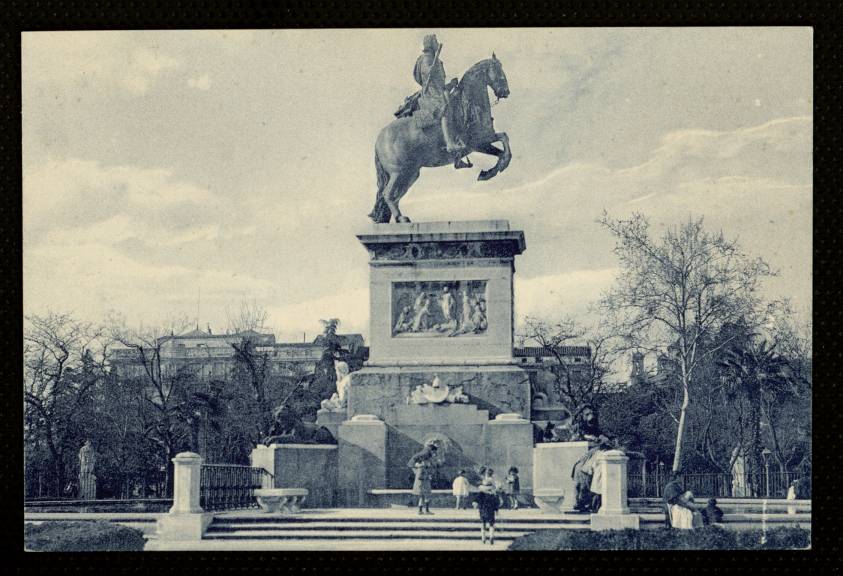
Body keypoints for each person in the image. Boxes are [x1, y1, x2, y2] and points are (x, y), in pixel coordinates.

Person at [412, 34, 469, 168]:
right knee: (446, 107)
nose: (437, 44)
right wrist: (430, 71)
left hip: (436, 91)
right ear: (431, 44)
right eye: (435, 42)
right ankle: (450, 143)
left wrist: (450, 85)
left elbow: (436, 83)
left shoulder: (429, 60)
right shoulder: (428, 59)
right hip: (432, 95)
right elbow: (430, 80)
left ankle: (458, 156)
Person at [408, 444, 438, 515]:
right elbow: (420, 475)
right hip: (423, 482)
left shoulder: (421, 465)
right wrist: (427, 476)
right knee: (427, 495)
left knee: (421, 496)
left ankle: (420, 511)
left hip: (421, 482)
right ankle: (427, 510)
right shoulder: (422, 465)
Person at [475, 467, 501, 544]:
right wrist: (496, 510)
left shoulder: (481, 493)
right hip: (490, 510)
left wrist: (475, 504)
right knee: (491, 524)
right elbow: (496, 502)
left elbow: (476, 500)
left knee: (483, 524)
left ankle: (483, 539)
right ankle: (491, 537)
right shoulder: (493, 494)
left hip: (482, 510)